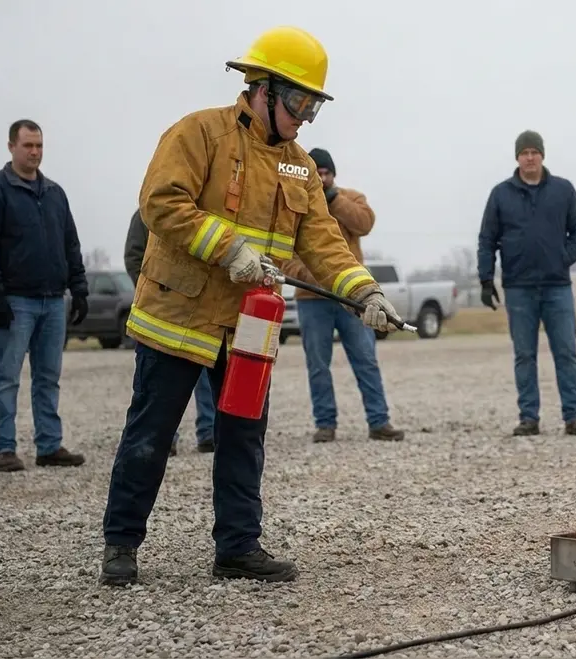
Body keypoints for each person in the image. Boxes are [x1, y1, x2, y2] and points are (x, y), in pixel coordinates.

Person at [99, 26, 403, 587]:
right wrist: (228, 245)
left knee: (244, 436)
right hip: (178, 317)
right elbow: (159, 203)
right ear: (261, 88)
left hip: (248, 327)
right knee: (151, 434)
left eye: (313, 105)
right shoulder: (199, 134)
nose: (303, 117)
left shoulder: (300, 168)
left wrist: (366, 291)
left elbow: (325, 243)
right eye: (297, 101)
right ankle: (121, 543)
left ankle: (237, 547)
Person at [0, 119, 89, 472]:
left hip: (53, 301)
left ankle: (49, 445)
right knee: (6, 377)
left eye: (39, 146)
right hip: (15, 301)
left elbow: (70, 243)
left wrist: (79, 289)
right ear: (11, 147)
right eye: (27, 146)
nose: (34, 152)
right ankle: (3, 448)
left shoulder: (54, 193)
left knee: (48, 377)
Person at [280, 148, 405, 443]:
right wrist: (319, 277)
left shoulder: (352, 198)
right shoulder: (294, 205)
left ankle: (379, 421)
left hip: (354, 301)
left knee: (366, 358)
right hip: (312, 300)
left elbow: (365, 223)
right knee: (318, 364)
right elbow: (284, 254)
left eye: (326, 173)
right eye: (317, 173)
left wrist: (333, 198)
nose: (321, 178)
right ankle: (325, 424)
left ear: (333, 174)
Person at [476, 130, 576, 437]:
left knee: (566, 352)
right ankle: (529, 417)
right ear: (517, 157)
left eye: (534, 152)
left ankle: (573, 416)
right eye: (524, 152)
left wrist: (562, 258)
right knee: (524, 355)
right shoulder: (500, 194)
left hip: (557, 286)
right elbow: (487, 239)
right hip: (518, 288)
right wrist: (486, 279)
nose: (530, 157)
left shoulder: (563, 190)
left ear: (542, 155)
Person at [123, 209, 216, 454]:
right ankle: (163, 439)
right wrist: (154, 288)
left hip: (200, 307)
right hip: (163, 310)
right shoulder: (146, 214)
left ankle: (208, 432)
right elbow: (134, 257)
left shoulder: (203, 212)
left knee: (205, 373)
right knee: (161, 381)